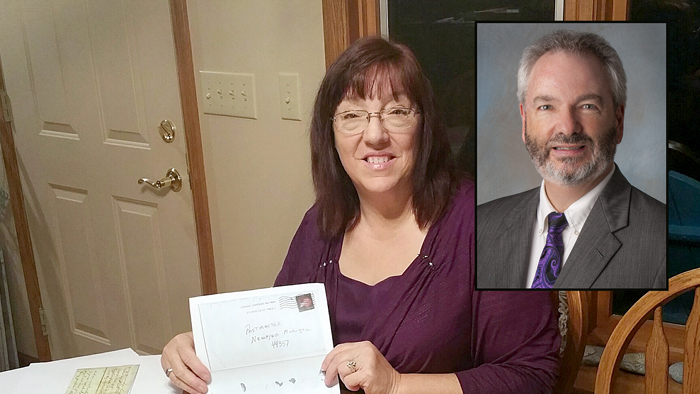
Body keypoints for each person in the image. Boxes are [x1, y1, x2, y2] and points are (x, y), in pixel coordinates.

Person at [162, 37, 560, 394]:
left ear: (425, 126)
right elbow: (277, 343)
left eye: (396, 112)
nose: (374, 136)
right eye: (352, 115)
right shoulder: (320, 224)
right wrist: (203, 349)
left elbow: (531, 376)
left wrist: (397, 384)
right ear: (330, 133)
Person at [476, 29, 666, 289]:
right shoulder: (481, 227)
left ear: (618, 121)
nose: (567, 127)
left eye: (588, 106)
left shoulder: (661, 243)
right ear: (524, 121)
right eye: (546, 107)